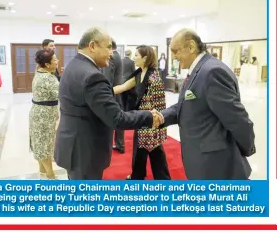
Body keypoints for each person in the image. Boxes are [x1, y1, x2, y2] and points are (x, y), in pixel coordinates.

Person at [54, 27, 163, 180]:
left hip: (72, 144)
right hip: (85, 151)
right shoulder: (92, 76)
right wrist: (148, 116)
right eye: (109, 47)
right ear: (92, 46)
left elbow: (89, 98)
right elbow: (117, 119)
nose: (112, 54)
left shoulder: (74, 65)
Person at [159, 28, 255, 180]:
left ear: (191, 47)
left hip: (216, 166)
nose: (174, 57)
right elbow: (185, 105)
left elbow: (238, 120)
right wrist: (161, 116)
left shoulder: (212, 71)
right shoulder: (199, 69)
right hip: (203, 161)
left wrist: (244, 149)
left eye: (176, 51)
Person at [113, 45, 171, 180]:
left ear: (145, 58)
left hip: (152, 122)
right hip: (142, 120)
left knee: (154, 151)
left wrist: (155, 126)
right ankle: (138, 176)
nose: (133, 58)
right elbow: (123, 86)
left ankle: (158, 179)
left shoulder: (154, 78)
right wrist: (104, 92)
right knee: (143, 150)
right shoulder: (139, 73)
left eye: (136, 55)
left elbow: (159, 105)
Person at [29, 50, 60, 179]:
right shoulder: (49, 78)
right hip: (44, 116)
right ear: (47, 64)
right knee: (45, 147)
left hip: (37, 112)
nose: (57, 61)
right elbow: (62, 94)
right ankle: (51, 176)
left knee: (39, 144)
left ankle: (42, 173)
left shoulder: (38, 72)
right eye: (55, 60)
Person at [101, 38, 125, 154]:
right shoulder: (117, 56)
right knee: (117, 118)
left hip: (113, 92)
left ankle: (112, 145)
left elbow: (107, 78)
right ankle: (120, 144)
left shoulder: (111, 57)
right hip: (117, 92)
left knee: (111, 118)